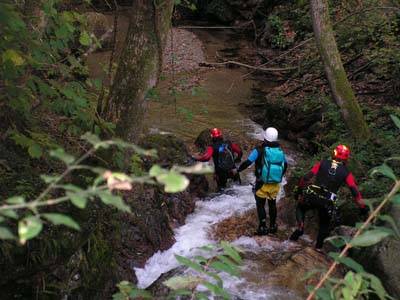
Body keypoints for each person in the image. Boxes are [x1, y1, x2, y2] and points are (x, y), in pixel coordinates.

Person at [290, 144, 369, 250]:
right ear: (346, 158)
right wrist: (363, 208)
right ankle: (318, 247)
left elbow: (306, 177)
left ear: (334, 153)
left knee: (300, 207)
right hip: (327, 202)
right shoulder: (346, 173)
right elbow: (354, 191)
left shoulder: (323, 163)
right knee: (324, 223)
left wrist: (298, 191)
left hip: (312, 196)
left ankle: (300, 227)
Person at [234, 127, 287, 235]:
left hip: (262, 183)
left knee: (260, 205)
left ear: (265, 138)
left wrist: (238, 170)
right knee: (272, 204)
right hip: (275, 184)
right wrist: (278, 177)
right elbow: (285, 165)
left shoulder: (259, 150)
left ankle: (262, 226)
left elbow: (248, 162)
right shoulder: (280, 151)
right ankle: (273, 226)